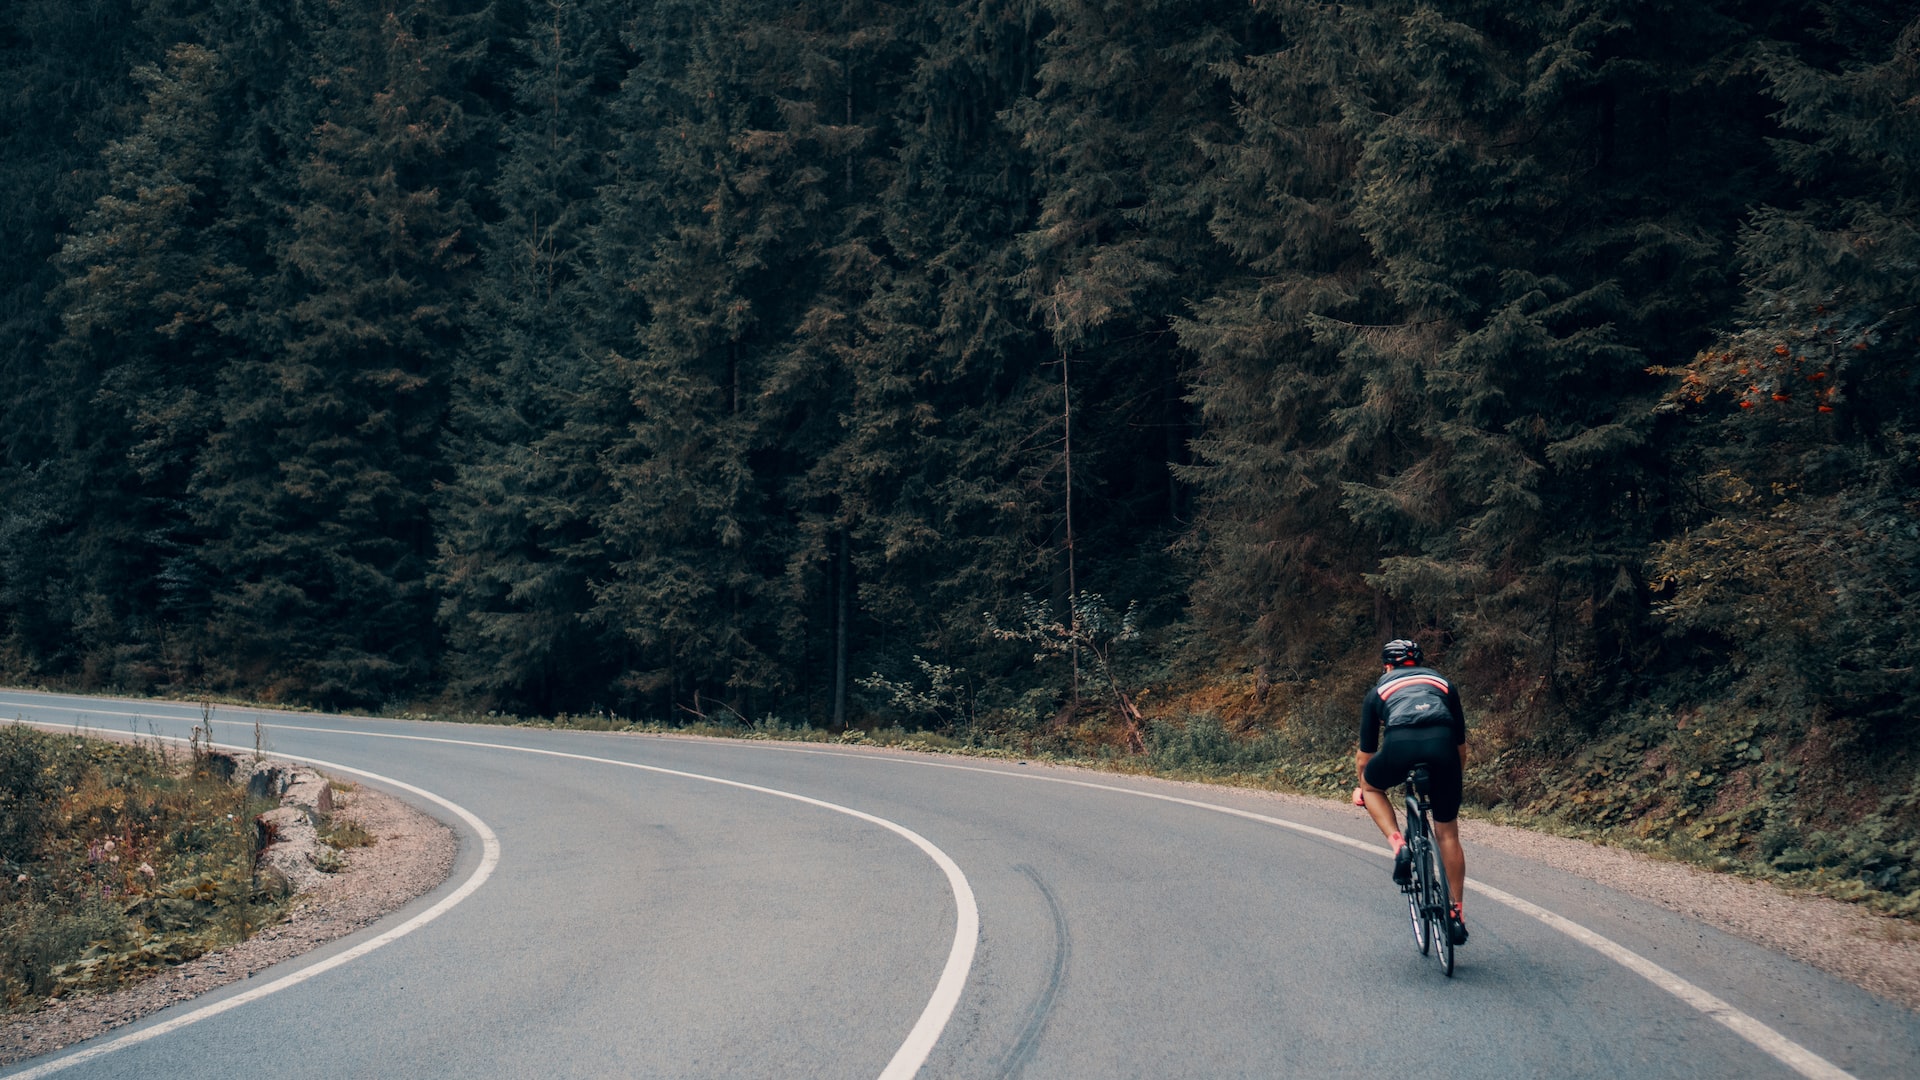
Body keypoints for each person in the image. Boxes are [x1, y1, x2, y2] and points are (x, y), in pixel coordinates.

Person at [1354, 638, 1469, 945]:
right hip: (1444, 750)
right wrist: (1454, 776)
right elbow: (1461, 747)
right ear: (1419, 663)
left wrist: (1361, 787)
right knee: (1447, 834)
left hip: (1399, 744)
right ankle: (1456, 912)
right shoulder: (1443, 683)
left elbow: (1365, 758)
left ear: (1387, 666)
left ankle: (1399, 845)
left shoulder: (1377, 691)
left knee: (1371, 785)